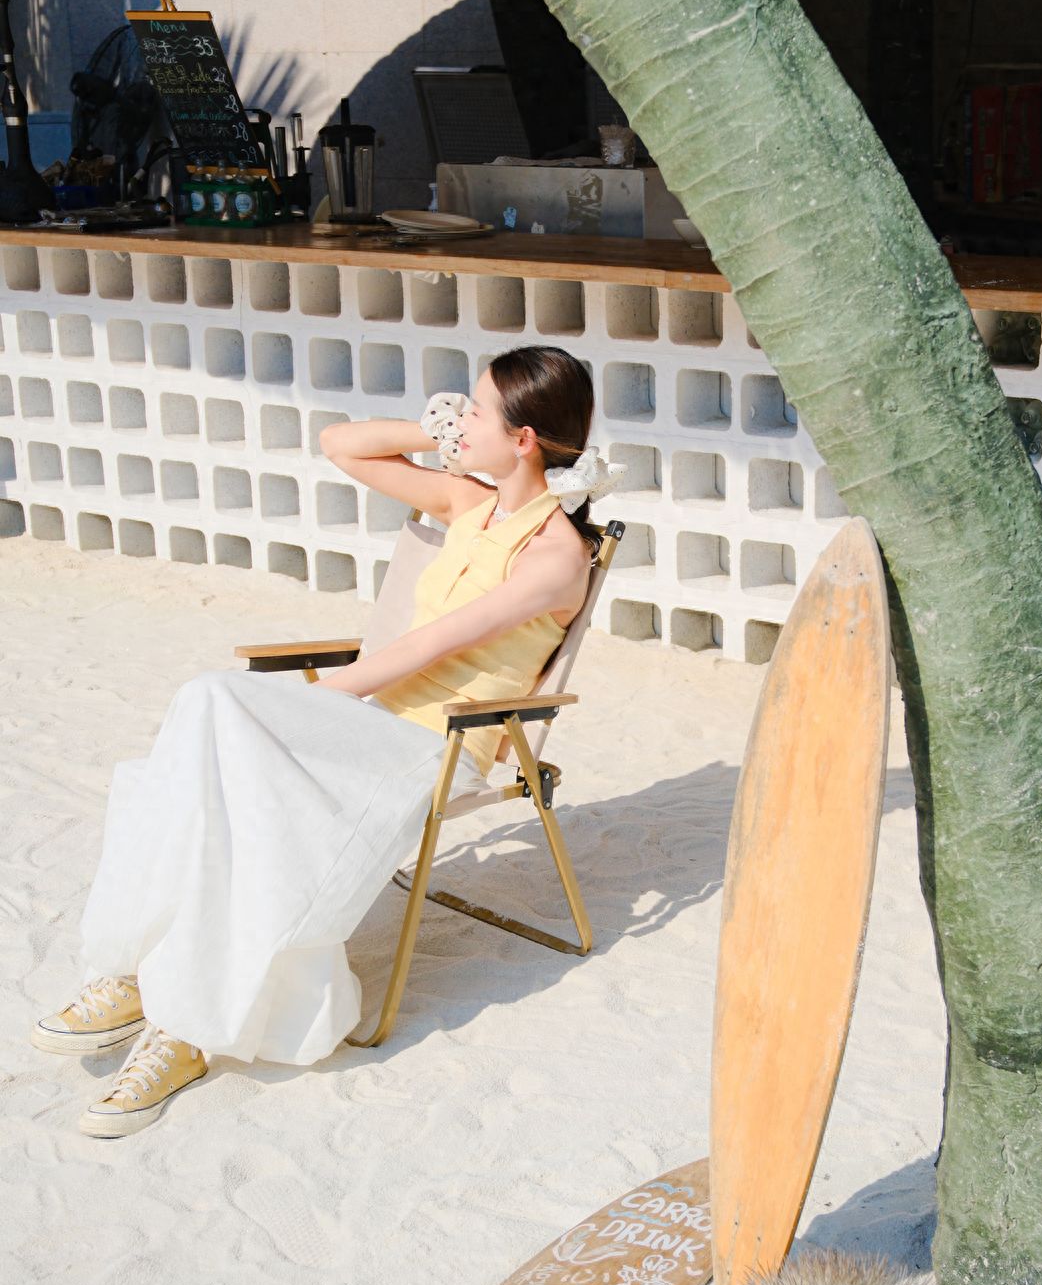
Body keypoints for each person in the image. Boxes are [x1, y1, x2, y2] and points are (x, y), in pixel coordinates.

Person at [32, 345, 610, 1138]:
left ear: (523, 440)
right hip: (366, 727)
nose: (456, 419)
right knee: (211, 726)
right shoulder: (467, 502)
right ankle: (145, 976)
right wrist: (433, 429)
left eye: (473, 410)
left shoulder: (553, 556)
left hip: (434, 749)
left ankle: (186, 1022)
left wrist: (300, 701)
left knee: (215, 703)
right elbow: (342, 444)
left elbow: (432, 646)